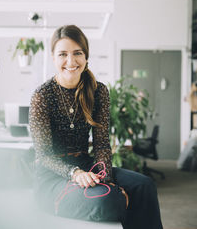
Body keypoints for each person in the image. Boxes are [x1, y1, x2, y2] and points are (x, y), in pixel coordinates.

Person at [29, 25, 163, 229]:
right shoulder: (42, 96)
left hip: (89, 167)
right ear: (53, 58)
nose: (71, 61)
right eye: (63, 54)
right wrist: (75, 173)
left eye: (77, 53)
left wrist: (107, 180)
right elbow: (44, 155)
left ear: (86, 56)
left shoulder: (98, 91)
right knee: (110, 201)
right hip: (53, 178)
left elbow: (101, 144)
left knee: (144, 186)